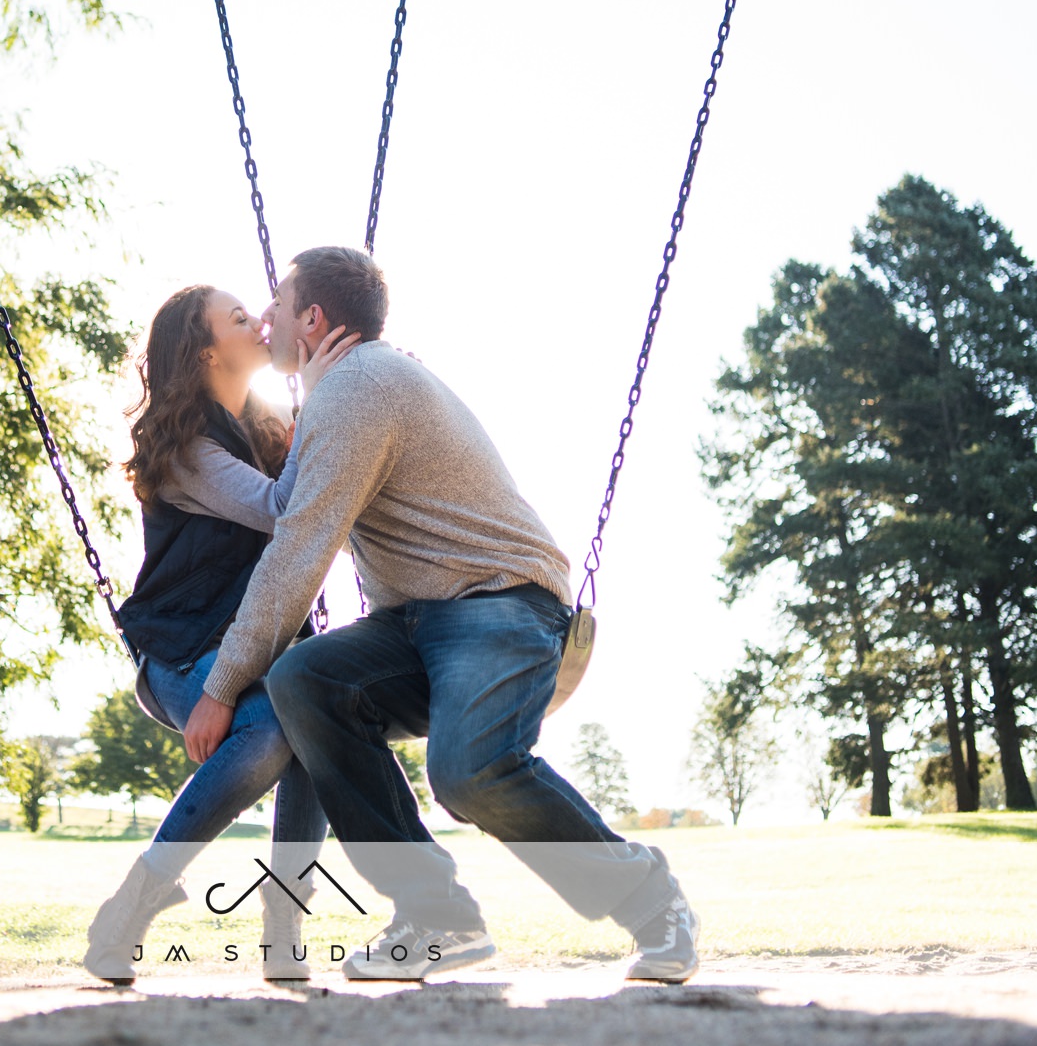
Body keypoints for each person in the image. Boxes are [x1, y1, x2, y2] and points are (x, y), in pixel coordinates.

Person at [182, 246, 701, 982]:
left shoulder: (361, 385)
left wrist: (221, 684)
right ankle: (437, 916)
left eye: (277, 298)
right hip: (420, 621)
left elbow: (299, 549)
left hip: (501, 601)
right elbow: (295, 516)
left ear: (313, 316)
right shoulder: (343, 386)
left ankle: (655, 902)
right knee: (306, 679)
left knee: (469, 771)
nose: (264, 315)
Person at [83, 283, 356, 982]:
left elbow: (327, 510)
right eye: (239, 318)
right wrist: (323, 398)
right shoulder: (186, 450)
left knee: (313, 720)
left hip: (248, 652)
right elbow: (282, 508)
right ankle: (135, 902)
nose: (259, 319)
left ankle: (283, 920)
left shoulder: (266, 431)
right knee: (271, 731)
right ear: (206, 350)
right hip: (178, 652)